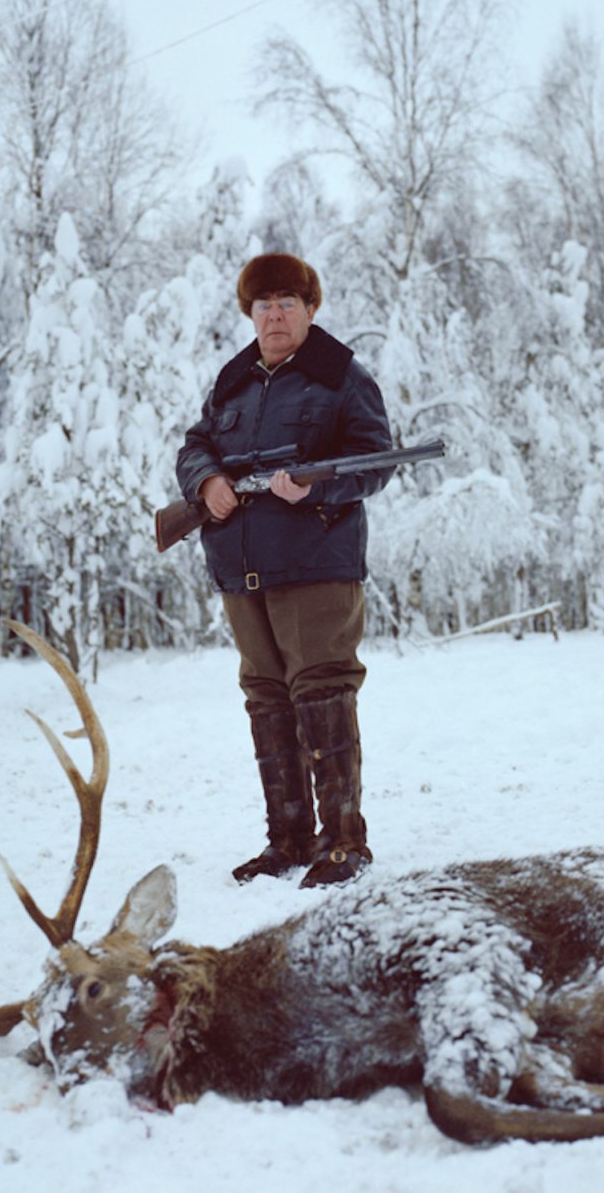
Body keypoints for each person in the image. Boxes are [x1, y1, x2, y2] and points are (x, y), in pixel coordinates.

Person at [176, 253, 393, 888]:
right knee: (267, 697)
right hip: (243, 567)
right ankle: (289, 839)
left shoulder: (341, 375)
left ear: (310, 309)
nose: (275, 315)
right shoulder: (233, 381)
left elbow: (375, 460)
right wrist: (208, 480)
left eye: (287, 303)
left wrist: (314, 491)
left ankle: (344, 844)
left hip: (317, 563)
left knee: (322, 687)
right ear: (250, 314)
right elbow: (195, 445)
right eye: (263, 305)